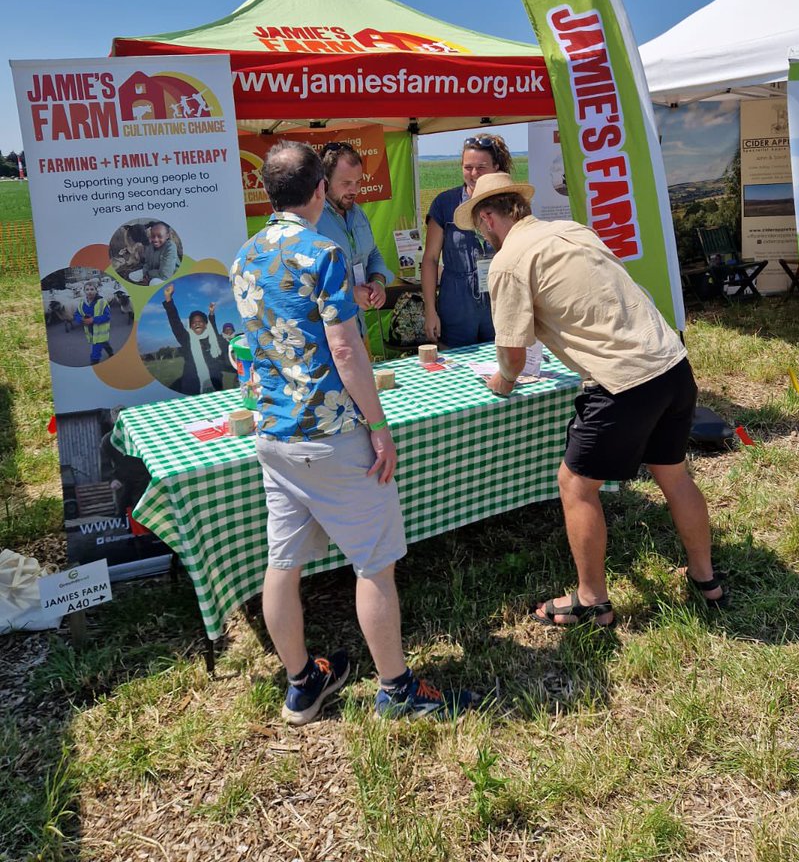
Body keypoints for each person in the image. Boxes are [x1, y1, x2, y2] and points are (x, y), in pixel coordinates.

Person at [230, 141, 475, 725]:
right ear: (319, 189)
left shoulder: (244, 255)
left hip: (274, 431)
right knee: (374, 563)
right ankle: (396, 689)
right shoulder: (324, 253)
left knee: (282, 563)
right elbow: (345, 348)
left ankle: (301, 684)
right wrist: (379, 426)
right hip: (332, 432)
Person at [454, 172, 725, 627]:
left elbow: (513, 357)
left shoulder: (508, 261)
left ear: (487, 218)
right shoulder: (573, 230)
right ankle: (706, 579)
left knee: (576, 485)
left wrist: (502, 382)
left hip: (622, 381)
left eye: (481, 227)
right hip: (671, 363)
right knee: (674, 475)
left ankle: (592, 601)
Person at [422, 133, 513, 347]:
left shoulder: (509, 204)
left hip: (499, 302)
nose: (473, 174)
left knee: (503, 360)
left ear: (496, 167)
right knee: (455, 363)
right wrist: (430, 310)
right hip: (456, 306)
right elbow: (430, 259)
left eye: (481, 167)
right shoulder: (444, 204)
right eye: (468, 167)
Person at [316, 142, 391, 337]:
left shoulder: (358, 214)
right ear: (325, 181)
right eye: (346, 183)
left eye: (358, 182)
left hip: (359, 331)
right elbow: (305, 281)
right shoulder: (312, 220)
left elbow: (373, 253)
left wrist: (378, 282)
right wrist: (348, 293)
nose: (354, 190)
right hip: (329, 339)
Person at [162, 286, 227, 393]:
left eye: (200, 321)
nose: (197, 323)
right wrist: (168, 299)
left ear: (206, 325)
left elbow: (213, 327)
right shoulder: (186, 339)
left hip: (216, 386)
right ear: (190, 326)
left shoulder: (211, 338)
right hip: (192, 389)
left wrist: (211, 314)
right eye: (193, 322)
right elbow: (175, 323)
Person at [74, 280, 114, 364]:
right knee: (104, 342)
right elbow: (77, 314)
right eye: (87, 289)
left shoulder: (102, 302)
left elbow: (107, 316)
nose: (89, 292)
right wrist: (81, 319)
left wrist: (93, 320)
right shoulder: (81, 303)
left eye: (92, 289)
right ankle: (110, 351)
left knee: (95, 352)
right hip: (90, 330)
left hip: (100, 331)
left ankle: (94, 363)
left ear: (96, 290)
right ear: (84, 291)